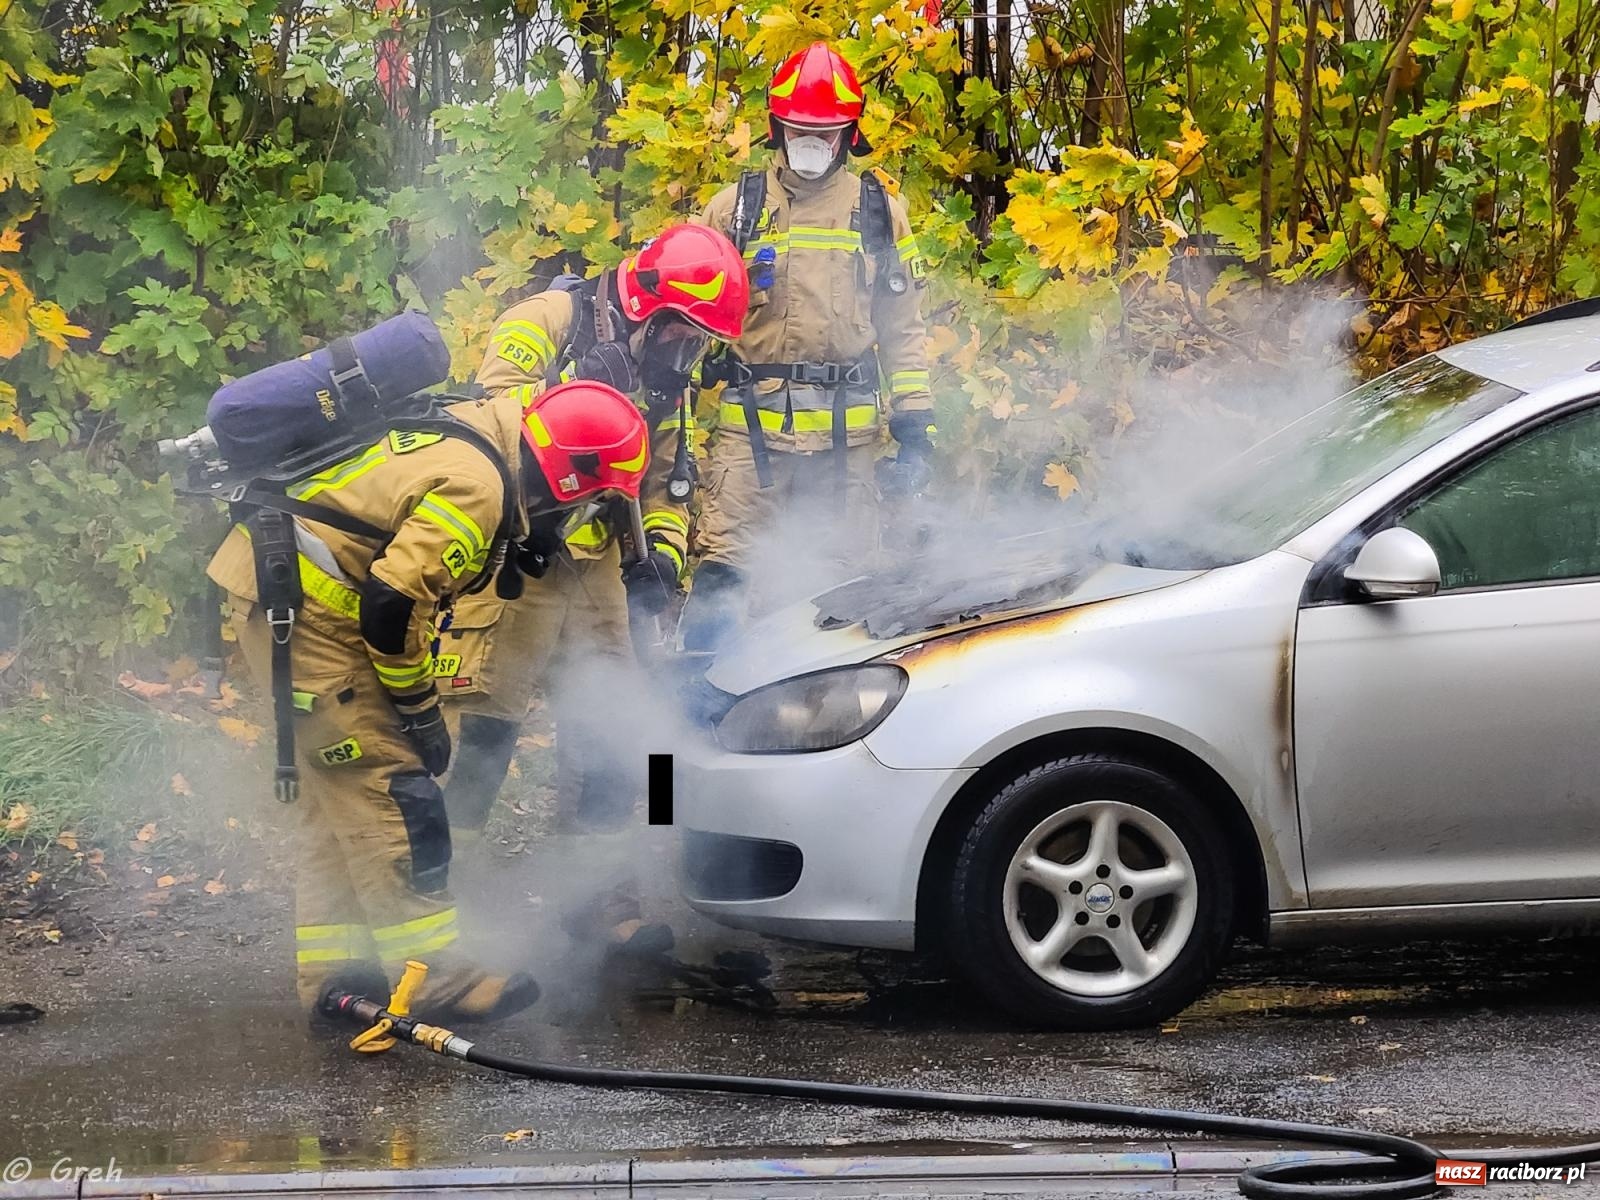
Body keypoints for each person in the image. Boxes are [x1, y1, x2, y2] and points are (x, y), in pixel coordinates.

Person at [204, 380, 653, 1023]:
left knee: (340, 805)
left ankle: (339, 975)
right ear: (563, 478)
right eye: (584, 508)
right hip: (311, 617)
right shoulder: (479, 490)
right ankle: (440, 980)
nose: (576, 527)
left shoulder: (484, 434)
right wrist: (417, 710)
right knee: (392, 791)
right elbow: (390, 608)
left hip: (288, 599)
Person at [436, 224, 747, 857]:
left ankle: (610, 900)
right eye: (685, 335)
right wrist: (572, 384)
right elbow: (493, 427)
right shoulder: (547, 319)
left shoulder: (668, 377)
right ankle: (443, 901)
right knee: (487, 725)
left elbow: (664, 483)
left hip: (604, 560)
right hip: (521, 549)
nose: (686, 357)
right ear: (647, 307)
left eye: (699, 344)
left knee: (633, 722)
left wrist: (659, 557)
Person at [680, 41, 936, 651]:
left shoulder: (879, 212)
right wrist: (677, 423)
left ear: (851, 134)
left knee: (844, 582)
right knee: (724, 567)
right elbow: (686, 323)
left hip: (847, 442)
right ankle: (691, 713)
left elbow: (903, 324)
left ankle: (827, 722)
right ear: (777, 128)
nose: (812, 144)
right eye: (800, 131)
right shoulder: (734, 210)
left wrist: (917, 423)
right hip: (750, 436)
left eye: (826, 132)